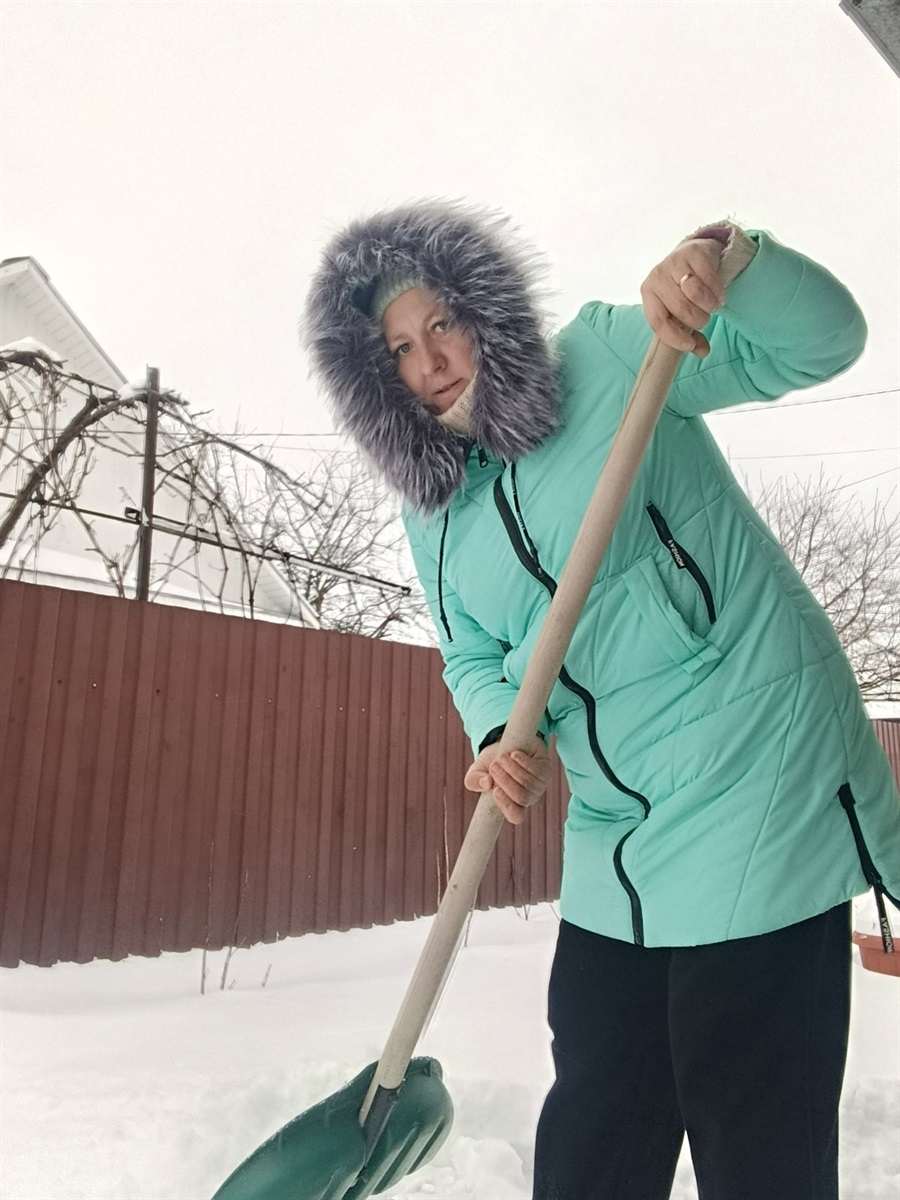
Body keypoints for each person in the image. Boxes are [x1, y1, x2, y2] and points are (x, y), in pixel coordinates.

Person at [303, 201, 900, 1200]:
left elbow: (825, 345)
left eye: (442, 321)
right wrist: (500, 730)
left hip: (755, 772)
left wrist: (732, 265)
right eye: (400, 348)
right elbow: (473, 652)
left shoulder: (612, 359)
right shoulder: (434, 512)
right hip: (616, 837)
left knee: (752, 1133)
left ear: (483, 311)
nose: (432, 358)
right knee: (595, 1131)